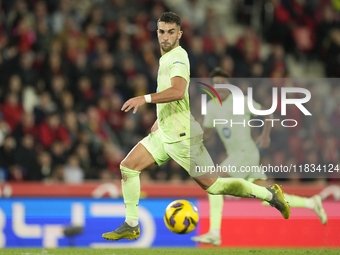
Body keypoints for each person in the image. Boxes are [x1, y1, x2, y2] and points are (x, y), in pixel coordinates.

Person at [102, 12, 290, 242]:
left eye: (171, 32)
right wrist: (160, 118)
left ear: (179, 34)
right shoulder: (165, 58)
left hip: (182, 137)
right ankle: (131, 224)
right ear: (157, 33)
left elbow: (178, 91)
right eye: (162, 31)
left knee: (215, 187)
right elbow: (176, 98)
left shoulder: (178, 57)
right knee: (128, 167)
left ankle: (269, 194)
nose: (166, 37)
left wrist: (145, 99)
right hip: (165, 131)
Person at [191, 68, 328, 246]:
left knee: (213, 182)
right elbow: (208, 134)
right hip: (238, 155)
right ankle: (311, 202)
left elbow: (267, 112)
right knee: (267, 198)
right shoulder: (210, 107)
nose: (221, 86)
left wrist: (265, 135)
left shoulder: (240, 101)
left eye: (224, 83)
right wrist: (197, 132)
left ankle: (215, 232)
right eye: (217, 83)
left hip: (245, 152)